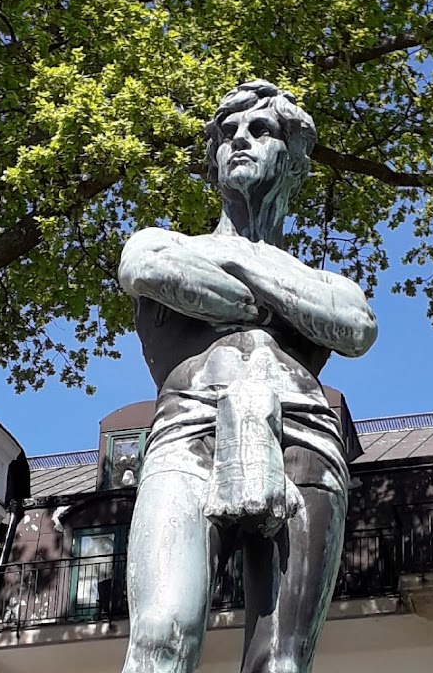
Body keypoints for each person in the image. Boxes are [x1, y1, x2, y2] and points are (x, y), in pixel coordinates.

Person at [117, 80, 378, 673]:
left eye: (260, 130)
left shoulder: (330, 282)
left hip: (303, 435)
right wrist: (282, 301)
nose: (239, 139)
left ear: (293, 161)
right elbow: (143, 268)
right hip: (189, 429)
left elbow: (355, 327)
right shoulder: (161, 241)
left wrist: (240, 261)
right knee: (162, 635)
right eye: (227, 133)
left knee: (281, 663)